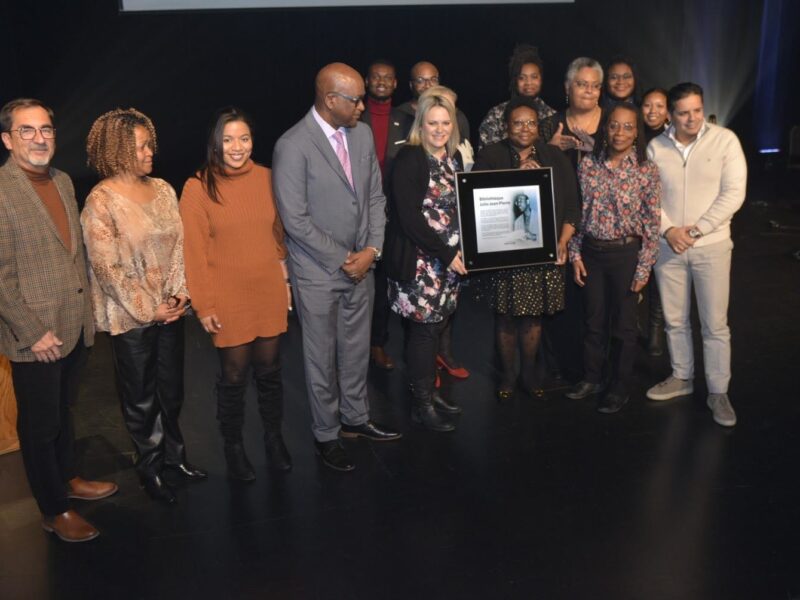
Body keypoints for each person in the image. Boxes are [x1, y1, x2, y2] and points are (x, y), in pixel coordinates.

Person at [273, 63, 401, 473]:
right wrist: (343, 258)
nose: (364, 105)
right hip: (319, 271)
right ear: (330, 100)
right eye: (356, 99)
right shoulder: (292, 145)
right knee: (321, 356)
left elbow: (376, 199)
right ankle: (326, 433)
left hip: (362, 265)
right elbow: (295, 220)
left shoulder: (361, 135)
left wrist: (372, 250)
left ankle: (355, 418)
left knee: (356, 348)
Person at [0, 98, 117, 542]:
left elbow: (73, 255)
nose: (39, 138)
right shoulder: (2, 190)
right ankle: (53, 509)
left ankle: (68, 479)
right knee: (39, 425)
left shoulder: (63, 180)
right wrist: (32, 333)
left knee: (63, 415)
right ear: (8, 140)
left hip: (72, 326)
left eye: (45, 129)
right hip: (36, 336)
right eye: (26, 130)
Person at [82, 108, 205, 505]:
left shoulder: (165, 189)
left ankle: (176, 458)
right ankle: (150, 467)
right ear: (118, 151)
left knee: (171, 389)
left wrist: (178, 295)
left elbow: (180, 248)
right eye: (141, 146)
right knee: (140, 397)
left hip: (170, 311)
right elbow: (106, 266)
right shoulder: (101, 200)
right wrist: (147, 308)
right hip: (131, 316)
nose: (151, 151)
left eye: (149, 143)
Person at [180, 107, 292, 481]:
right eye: (228, 139)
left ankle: (274, 439)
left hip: (267, 289)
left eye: (244, 138)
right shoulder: (197, 186)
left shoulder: (268, 178)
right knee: (233, 376)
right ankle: (233, 446)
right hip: (227, 295)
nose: (237, 147)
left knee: (271, 371)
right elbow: (193, 251)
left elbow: (278, 232)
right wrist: (203, 304)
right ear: (216, 142)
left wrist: (283, 272)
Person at [645, 82, 747, 427]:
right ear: (670, 115)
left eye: (697, 110)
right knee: (675, 319)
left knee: (715, 324)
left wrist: (698, 229)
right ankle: (682, 377)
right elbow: (648, 197)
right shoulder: (656, 147)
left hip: (712, 246)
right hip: (668, 246)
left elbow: (734, 193)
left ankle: (718, 391)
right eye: (684, 112)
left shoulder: (725, 140)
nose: (692, 118)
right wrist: (669, 230)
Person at [473, 95, 579, 400]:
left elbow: (572, 206)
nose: (524, 128)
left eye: (531, 122)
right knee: (505, 317)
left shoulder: (555, 156)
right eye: (517, 122)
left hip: (542, 254)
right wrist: (518, 173)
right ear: (506, 127)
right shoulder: (491, 155)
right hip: (504, 254)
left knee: (533, 317)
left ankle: (529, 373)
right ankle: (507, 375)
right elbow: (477, 200)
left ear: (538, 127)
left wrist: (562, 242)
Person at [567, 103, 661, 413]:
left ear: (637, 132)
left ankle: (620, 386)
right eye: (614, 126)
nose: (620, 132)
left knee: (624, 327)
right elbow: (579, 214)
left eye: (628, 127)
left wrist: (644, 267)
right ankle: (592, 378)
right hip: (592, 253)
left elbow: (651, 223)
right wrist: (575, 253)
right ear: (605, 128)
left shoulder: (646, 169)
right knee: (593, 323)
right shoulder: (588, 165)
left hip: (626, 255)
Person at [384, 91, 467, 431]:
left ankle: (430, 396)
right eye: (432, 123)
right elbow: (409, 219)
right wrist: (447, 254)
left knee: (435, 329)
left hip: (447, 263)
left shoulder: (453, 159)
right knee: (423, 332)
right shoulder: (410, 158)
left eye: (445, 122)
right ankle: (421, 403)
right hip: (421, 263)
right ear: (421, 124)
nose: (439, 129)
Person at [360, 58, 413, 372]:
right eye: (376, 77)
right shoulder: (353, 118)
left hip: (394, 215)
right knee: (357, 286)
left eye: (387, 77)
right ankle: (354, 345)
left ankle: (377, 343)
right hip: (359, 215)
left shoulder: (406, 120)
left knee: (382, 286)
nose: (381, 81)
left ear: (395, 84)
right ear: (367, 82)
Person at [478, 43, 556, 150]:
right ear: (514, 81)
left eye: (534, 77)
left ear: (541, 79)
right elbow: (486, 155)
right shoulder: (496, 115)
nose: (529, 83)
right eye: (522, 78)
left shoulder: (552, 116)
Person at [640, 87, 670, 355]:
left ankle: (655, 332)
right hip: (635, 214)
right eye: (648, 105)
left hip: (665, 214)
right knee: (638, 275)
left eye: (659, 106)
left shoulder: (674, 138)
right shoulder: (633, 134)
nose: (653, 111)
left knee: (659, 279)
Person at [540, 57, 605, 170]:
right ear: (567, 87)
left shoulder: (613, 122)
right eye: (582, 84)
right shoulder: (549, 126)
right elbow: (534, 170)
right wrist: (550, 150)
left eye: (595, 86)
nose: (589, 91)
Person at [396, 61, 471, 143]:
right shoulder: (399, 114)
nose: (428, 85)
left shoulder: (455, 115)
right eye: (420, 80)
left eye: (433, 79)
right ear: (411, 85)